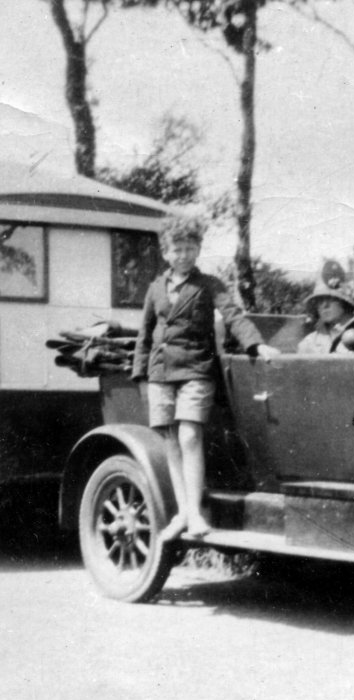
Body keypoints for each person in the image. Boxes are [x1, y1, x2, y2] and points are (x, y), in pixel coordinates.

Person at [132, 218, 281, 541]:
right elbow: (145, 334)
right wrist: (140, 374)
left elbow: (233, 315)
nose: (184, 255)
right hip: (160, 372)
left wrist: (255, 343)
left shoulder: (209, 284)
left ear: (198, 249)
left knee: (189, 437)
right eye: (177, 249)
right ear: (166, 252)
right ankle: (183, 514)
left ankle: (196, 513)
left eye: (190, 248)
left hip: (196, 369)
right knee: (170, 442)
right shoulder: (155, 288)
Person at [297, 261, 354, 354]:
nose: (324, 305)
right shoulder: (308, 344)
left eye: (331, 299)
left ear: (345, 303)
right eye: (320, 300)